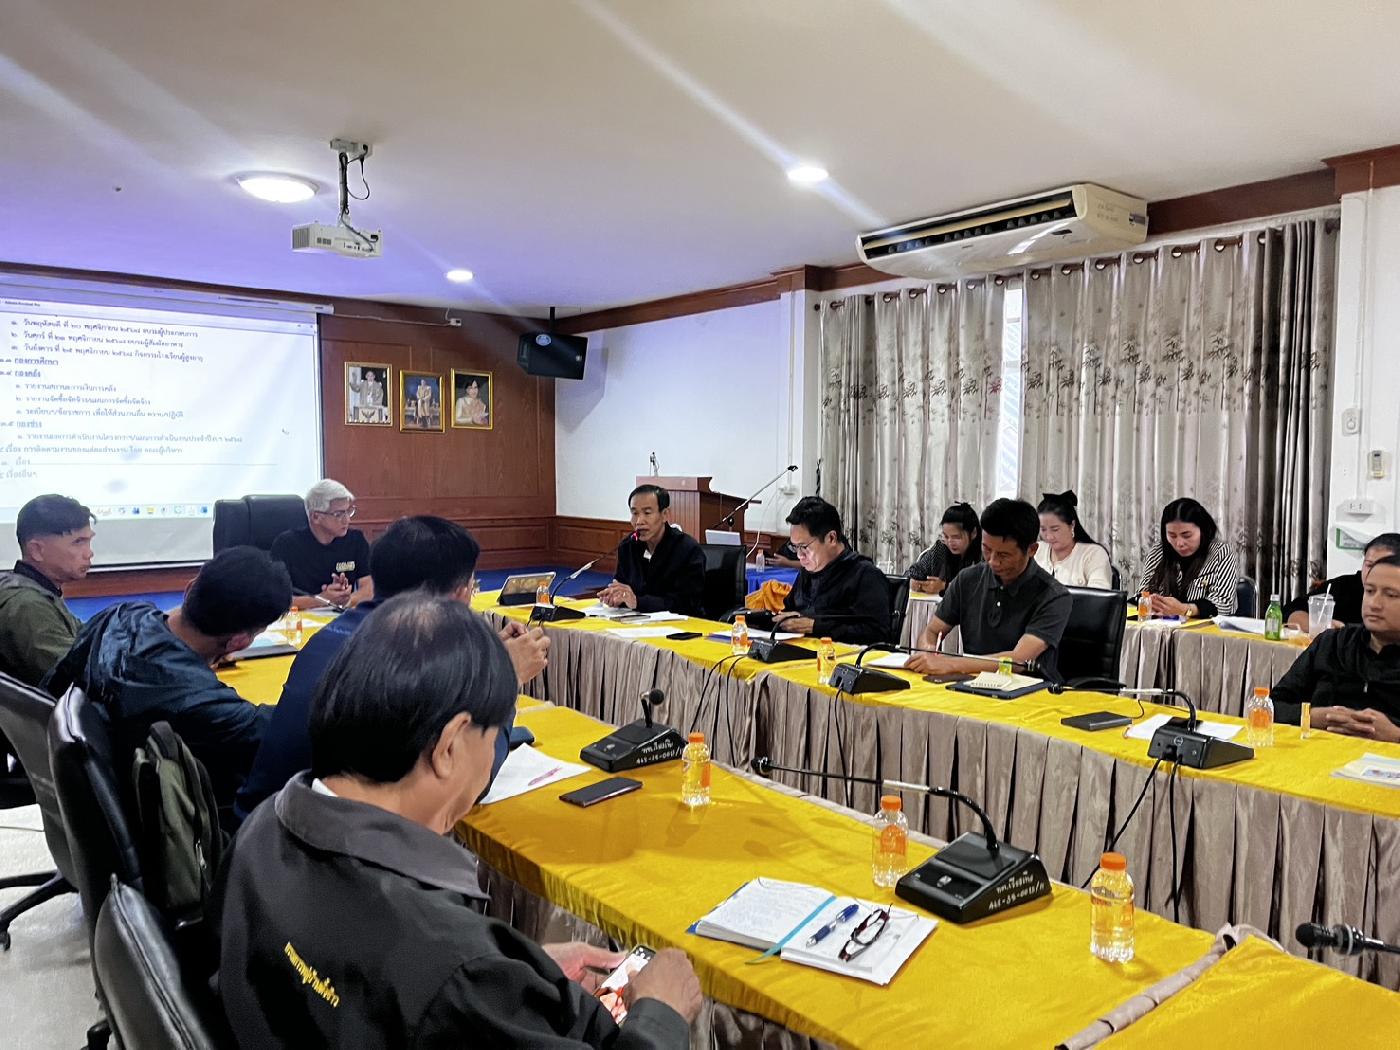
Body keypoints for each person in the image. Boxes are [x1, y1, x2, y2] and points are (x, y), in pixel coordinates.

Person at [215, 595, 700, 1048]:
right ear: (449, 747)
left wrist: (514, 969)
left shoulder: (260, 828)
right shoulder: (451, 970)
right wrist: (661, 1013)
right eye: (494, 735)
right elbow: (434, 976)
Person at [234, 515, 550, 823]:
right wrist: (506, 677)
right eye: (471, 585)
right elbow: (463, 785)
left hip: (260, 825)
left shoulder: (337, 633)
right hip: (311, 844)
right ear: (459, 594)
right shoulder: (412, 658)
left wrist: (487, 659)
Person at [43, 546, 291, 827]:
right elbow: (288, 732)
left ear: (190, 587)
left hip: (85, 794)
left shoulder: (119, 614)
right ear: (240, 642)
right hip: (176, 825)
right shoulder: (204, 702)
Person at [907, 498, 1072, 681]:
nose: (993, 561)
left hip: (1030, 690)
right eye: (986, 550)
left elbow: (1018, 661)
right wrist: (927, 650)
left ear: (1032, 550)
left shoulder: (1053, 596)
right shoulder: (967, 579)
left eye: (1003, 555)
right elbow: (931, 631)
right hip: (970, 685)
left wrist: (951, 664)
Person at [1270, 555, 1400, 740]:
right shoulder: (1333, 643)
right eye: (1370, 591)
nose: (1374, 604)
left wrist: (1395, 735)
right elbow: (1270, 706)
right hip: (1317, 750)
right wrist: (1310, 717)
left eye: (1391, 595)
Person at [0, 495, 94, 687]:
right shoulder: (27, 605)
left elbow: (87, 638)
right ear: (36, 550)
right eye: (78, 542)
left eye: (88, 541)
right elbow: (80, 678)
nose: (89, 553)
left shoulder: (37, 591)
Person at [773, 497, 890, 644]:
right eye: (795, 547)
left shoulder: (865, 575)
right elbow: (789, 612)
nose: (799, 555)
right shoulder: (807, 571)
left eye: (804, 547)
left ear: (831, 538)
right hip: (797, 651)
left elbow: (878, 633)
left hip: (840, 655)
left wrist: (816, 627)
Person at [598, 485, 706, 616]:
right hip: (635, 620)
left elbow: (687, 603)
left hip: (682, 623)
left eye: (647, 513)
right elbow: (622, 586)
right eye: (634, 513)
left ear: (665, 515)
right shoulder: (627, 546)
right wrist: (616, 596)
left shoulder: (688, 549)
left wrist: (638, 602)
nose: (639, 521)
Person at [271, 479, 373, 611]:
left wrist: (346, 600)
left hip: (340, 615)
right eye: (338, 514)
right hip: (300, 618)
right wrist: (323, 599)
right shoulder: (286, 544)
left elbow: (370, 588)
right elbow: (276, 600)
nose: (347, 519)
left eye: (349, 511)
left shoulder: (356, 540)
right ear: (315, 517)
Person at [1137, 498, 1239, 618]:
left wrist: (1184, 610)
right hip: (1162, 625)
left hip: (1208, 627)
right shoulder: (1159, 551)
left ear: (1202, 530)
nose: (1179, 543)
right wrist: (1149, 602)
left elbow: (1223, 604)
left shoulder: (1221, 552)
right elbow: (1142, 594)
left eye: (1187, 535)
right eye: (1172, 535)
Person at [1284, 533, 1400, 632]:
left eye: (1390, 595)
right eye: (1369, 565)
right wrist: (1318, 626)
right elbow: (1290, 610)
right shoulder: (1343, 586)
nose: (1374, 604)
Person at [1033, 490, 1113, 589]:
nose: (1049, 536)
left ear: (1072, 525)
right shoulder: (1037, 550)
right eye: (1043, 529)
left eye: (1055, 529)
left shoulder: (1093, 554)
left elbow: (1098, 595)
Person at [905, 503, 982, 595]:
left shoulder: (984, 553)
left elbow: (982, 588)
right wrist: (916, 583)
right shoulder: (941, 548)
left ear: (973, 533)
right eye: (946, 536)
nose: (950, 542)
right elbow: (913, 572)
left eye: (956, 537)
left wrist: (944, 586)